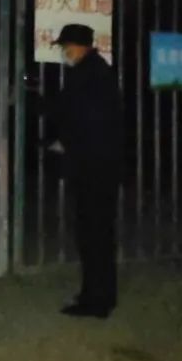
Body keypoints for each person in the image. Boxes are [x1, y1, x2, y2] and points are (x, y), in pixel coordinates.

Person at [44, 23, 123, 319]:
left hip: (94, 169)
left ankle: (97, 300)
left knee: (95, 236)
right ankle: (96, 294)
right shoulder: (94, 72)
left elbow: (88, 120)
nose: (64, 52)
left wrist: (68, 143)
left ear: (79, 46)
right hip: (97, 167)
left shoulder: (90, 75)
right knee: (95, 235)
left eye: (66, 47)